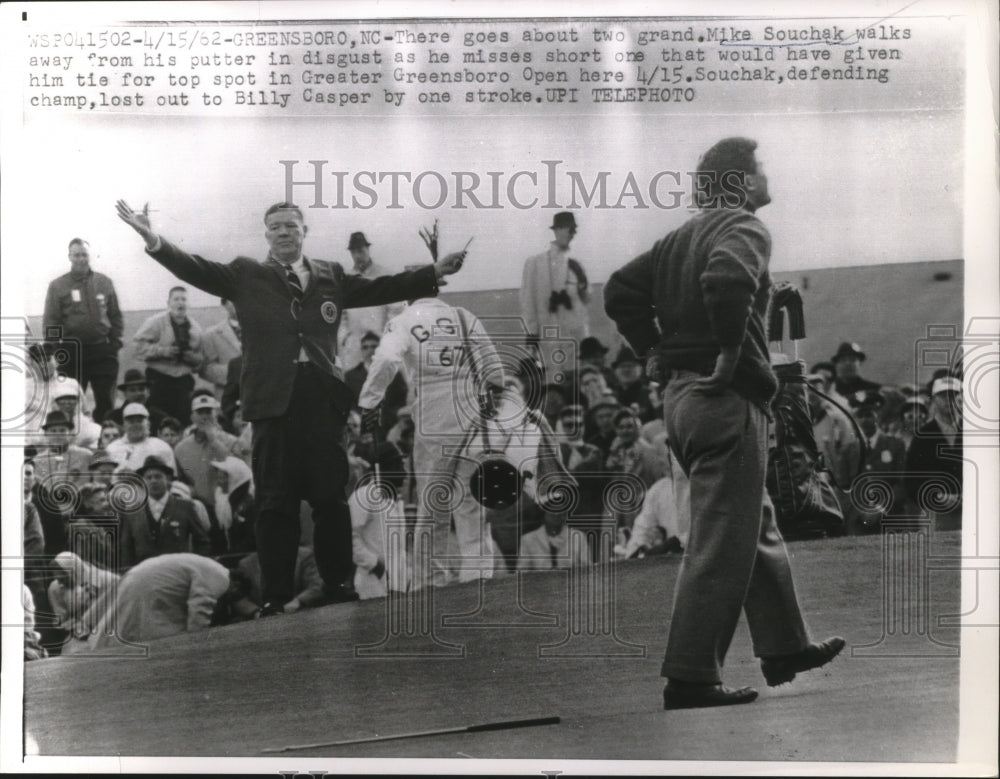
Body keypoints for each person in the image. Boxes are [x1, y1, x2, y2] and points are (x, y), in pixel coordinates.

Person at [116, 199, 466, 614]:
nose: (284, 232)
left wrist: (433, 272)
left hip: (321, 400)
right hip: (272, 403)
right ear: (267, 235)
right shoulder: (246, 273)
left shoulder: (329, 274)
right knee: (274, 503)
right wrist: (153, 238)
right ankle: (275, 595)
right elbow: (196, 268)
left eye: (291, 226)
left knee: (330, 499)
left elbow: (377, 288)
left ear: (304, 231)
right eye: (276, 227)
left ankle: (339, 586)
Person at [604, 137, 844, 709]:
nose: (767, 176)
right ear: (737, 183)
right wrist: (734, 353)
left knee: (750, 525)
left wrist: (653, 349)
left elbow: (619, 291)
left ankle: (785, 647)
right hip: (727, 398)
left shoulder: (677, 238)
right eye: (759, 168)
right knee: (719, 543)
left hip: (685, 402)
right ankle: (690, 676)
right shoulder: (745, 228)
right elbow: (727, 280)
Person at [356, 293, 506, 588]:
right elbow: (496, 372)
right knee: (470, 498)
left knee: (432, 499)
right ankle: (478, 576)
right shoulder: (464, 315)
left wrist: (370, 401)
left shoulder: (403, 320)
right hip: (469, 408)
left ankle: (430, 580)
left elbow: (386, 358)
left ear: (409, 297)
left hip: (433, 410)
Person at [75, 553, 256, 652]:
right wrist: (196, 647)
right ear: (236, 585)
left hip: (139, 576)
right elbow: (199, 610)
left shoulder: (208, 565)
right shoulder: (221, 578)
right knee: (157, 645)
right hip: (149, 588)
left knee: (125, 630)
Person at [43, 238, 124, 423]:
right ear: (69, 257)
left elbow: (115, 315)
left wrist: (114, 343)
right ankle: (71, 445)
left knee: (106, 404)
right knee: (70, 402)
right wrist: (55, 351)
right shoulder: (58, 285)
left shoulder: (104, 282)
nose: (81, 258)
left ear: (90, 255)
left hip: (102, 351)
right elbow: (51, 321)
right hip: (72, 353)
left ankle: (104, 446)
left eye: (84, 254)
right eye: (77, 254)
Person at [519, 211, 591, 384]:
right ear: (557, 230)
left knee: (575, 380)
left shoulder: (575, 264)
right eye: (568, 229)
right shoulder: (535, 263)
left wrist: (573, 293)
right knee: (550, 380)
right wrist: (532, 332)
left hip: (573, 332)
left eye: (574, 230)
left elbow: (585, 301)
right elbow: (527, 300)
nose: (572, 234)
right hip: (547, 333)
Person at [118, 455, 212, 570]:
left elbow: (202, 542)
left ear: (168, 480)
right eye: (149, 477)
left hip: (178, 573)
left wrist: (195, 568)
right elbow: (126, 549)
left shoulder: (185, 507)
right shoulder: (132, 513)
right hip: (144, 575)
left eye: (158, 477)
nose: (153, 481)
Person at [133, 286, 205, 426]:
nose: (180, 303)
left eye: (184, 299)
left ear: (188, 304)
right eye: (176, 299)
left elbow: (201, 359)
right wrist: (162, 351)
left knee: (184, 421)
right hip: (158, 380)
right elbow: (137, 347)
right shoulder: (155, 322)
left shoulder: (196, 328)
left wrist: (192, 358)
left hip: (184, 382)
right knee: (158, 420)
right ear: (168, 303)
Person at [337, 231, 407, 371]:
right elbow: (341, 315)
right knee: (354, 385)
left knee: (383, 383)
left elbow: (397, 311)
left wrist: (387, 338)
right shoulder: (347, 280)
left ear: (368, 250)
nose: (358, 256)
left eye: (361, 251)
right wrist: (344, 338)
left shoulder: (385, 275)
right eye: (354, 252)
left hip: (380, 341)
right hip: (355, 345)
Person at [904, 375, 963, 529]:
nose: (948, 401)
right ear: (934, 400)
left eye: (953, 395)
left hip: (973, 508)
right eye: (943, 396)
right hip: (936, 511)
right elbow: (911, 478)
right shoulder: (923, 435)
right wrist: (935, 495)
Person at [344, 330, 409, 430]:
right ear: (361, 351)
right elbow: (348, 404)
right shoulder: (350, 376)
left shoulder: (394, 373)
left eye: (374, 346)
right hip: (362, 429)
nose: (370, 350)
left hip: (388, 427)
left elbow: (401, 399)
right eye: (365, 347)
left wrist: (394, 414)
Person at [105, 403, 176, 473]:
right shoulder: (112, 449)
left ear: (148, 424)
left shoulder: (161, 447)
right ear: (124, 425)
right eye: (131, 422)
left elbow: (171, 477)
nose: (136, 425)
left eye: (139, 421)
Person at [200, 298, 243, 398]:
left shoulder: (261, 331)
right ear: (224, 304)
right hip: (227, 396)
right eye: (233, 299)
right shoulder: (211, 334)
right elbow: (206, 369)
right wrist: (237, 372)